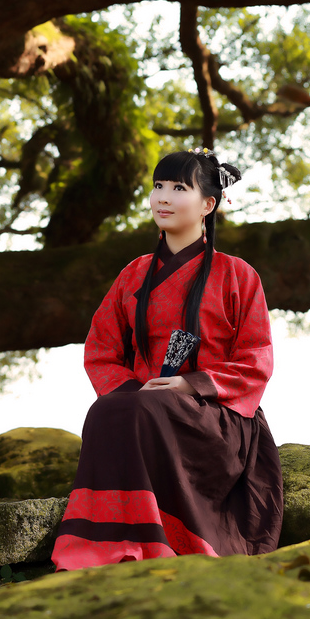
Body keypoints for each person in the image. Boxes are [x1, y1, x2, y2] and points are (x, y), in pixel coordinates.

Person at [51, 148, 283, 570]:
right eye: (159, 186)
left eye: (179, 188)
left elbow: (256, 360)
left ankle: (162, 540)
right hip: (145, 404)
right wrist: (136, 390)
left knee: (142, 409)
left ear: (208, 205)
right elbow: (101, 349)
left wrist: (188, 384)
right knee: (105, 410)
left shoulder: (238, 274)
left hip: (215, 417)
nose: (163, 197)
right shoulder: (134, 274)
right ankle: (106, 541)